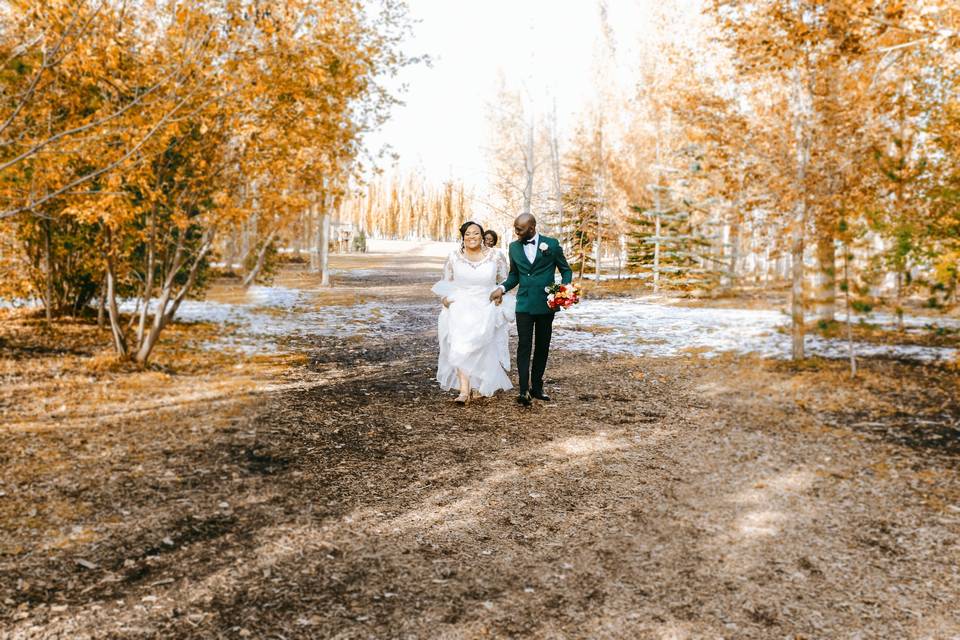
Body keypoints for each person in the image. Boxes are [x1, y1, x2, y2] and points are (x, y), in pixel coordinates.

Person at [490, 214, 572, 406]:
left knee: (542, 346)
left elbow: (565, 269)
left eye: (520, 229)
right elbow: (514, 275)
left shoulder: (551, 245)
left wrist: (564, 289)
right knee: (524, 345)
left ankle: (537, 387)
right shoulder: (514, 247)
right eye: (515, 228)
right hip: (524, 304)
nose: (516, 232)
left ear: (532, 228)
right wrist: (501, 289)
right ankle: (523, 390)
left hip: (546, 304)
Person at [432, 221, 513, 404]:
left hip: (485, 305)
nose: (471, 237)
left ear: (482, 236)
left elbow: (505, 280)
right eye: (467, 234)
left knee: (483, 345)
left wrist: (500, 293)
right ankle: (463, 390)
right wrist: (444, 298)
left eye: (475, 233)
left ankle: (480, 385)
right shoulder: (454, 256)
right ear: (463, 237)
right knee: (460, 346)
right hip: (460, 306)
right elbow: (446, 282)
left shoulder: (496, 256)